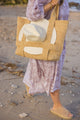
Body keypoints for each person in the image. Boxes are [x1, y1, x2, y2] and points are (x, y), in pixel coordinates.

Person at [23, 0, 73, 119]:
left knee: (37, 61)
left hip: (54, 37)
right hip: (48, 37)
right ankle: (57, 105)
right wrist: (52, 3)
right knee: (53, 70)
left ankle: (29, 84)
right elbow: (31, 13)